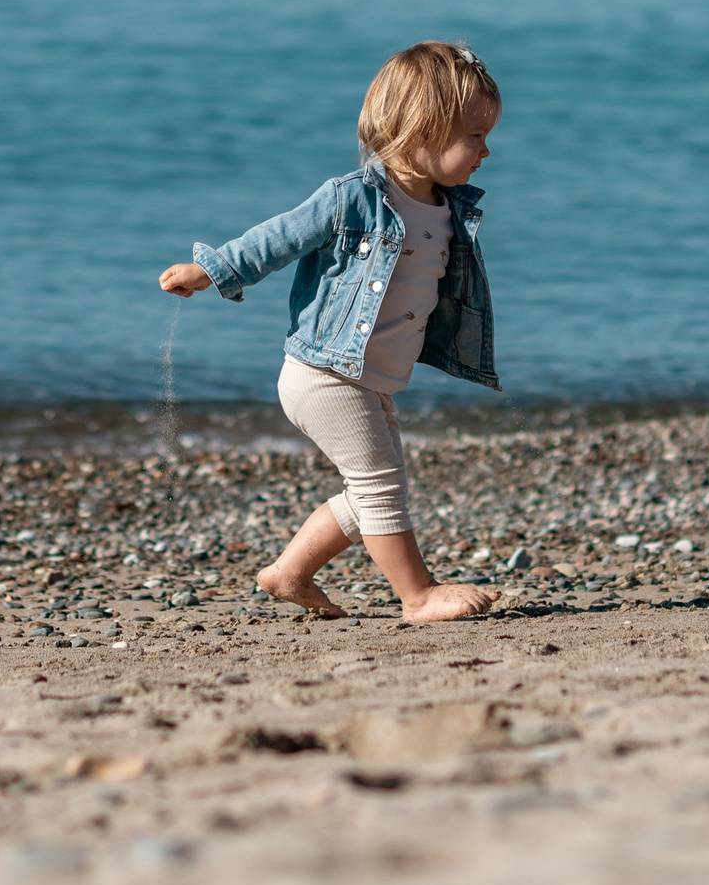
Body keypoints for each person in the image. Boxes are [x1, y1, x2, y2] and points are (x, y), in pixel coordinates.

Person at [159, 41, 503, 623]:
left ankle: (289, 573)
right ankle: (416, 595)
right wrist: (213, 269)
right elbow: (279, 238)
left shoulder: (449, 209)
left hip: (370, 380)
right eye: (473, 136)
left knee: (367, 491)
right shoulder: (354, 199)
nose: (486, 151)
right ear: (421, 131)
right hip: (325, 374)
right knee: (380, 485)